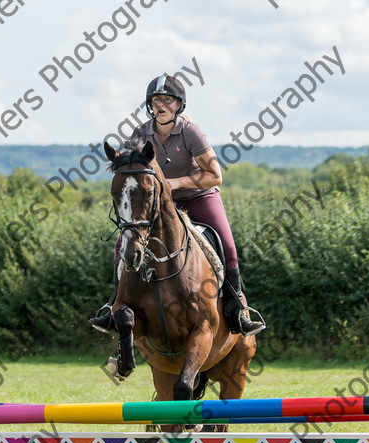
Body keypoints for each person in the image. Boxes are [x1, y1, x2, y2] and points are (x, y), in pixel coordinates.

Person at [89, 74, 265, 336]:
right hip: (160, 203)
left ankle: (237, 308)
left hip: (198, 196)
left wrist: (176, 182)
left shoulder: (190, 131)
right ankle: (115, 305)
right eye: (156, 100)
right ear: (150, 105)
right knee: (123, 244)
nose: (161, 105)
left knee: (226, 243)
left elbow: (215, 175)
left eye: (167, 100)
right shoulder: (141, 133)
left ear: (178, 105)